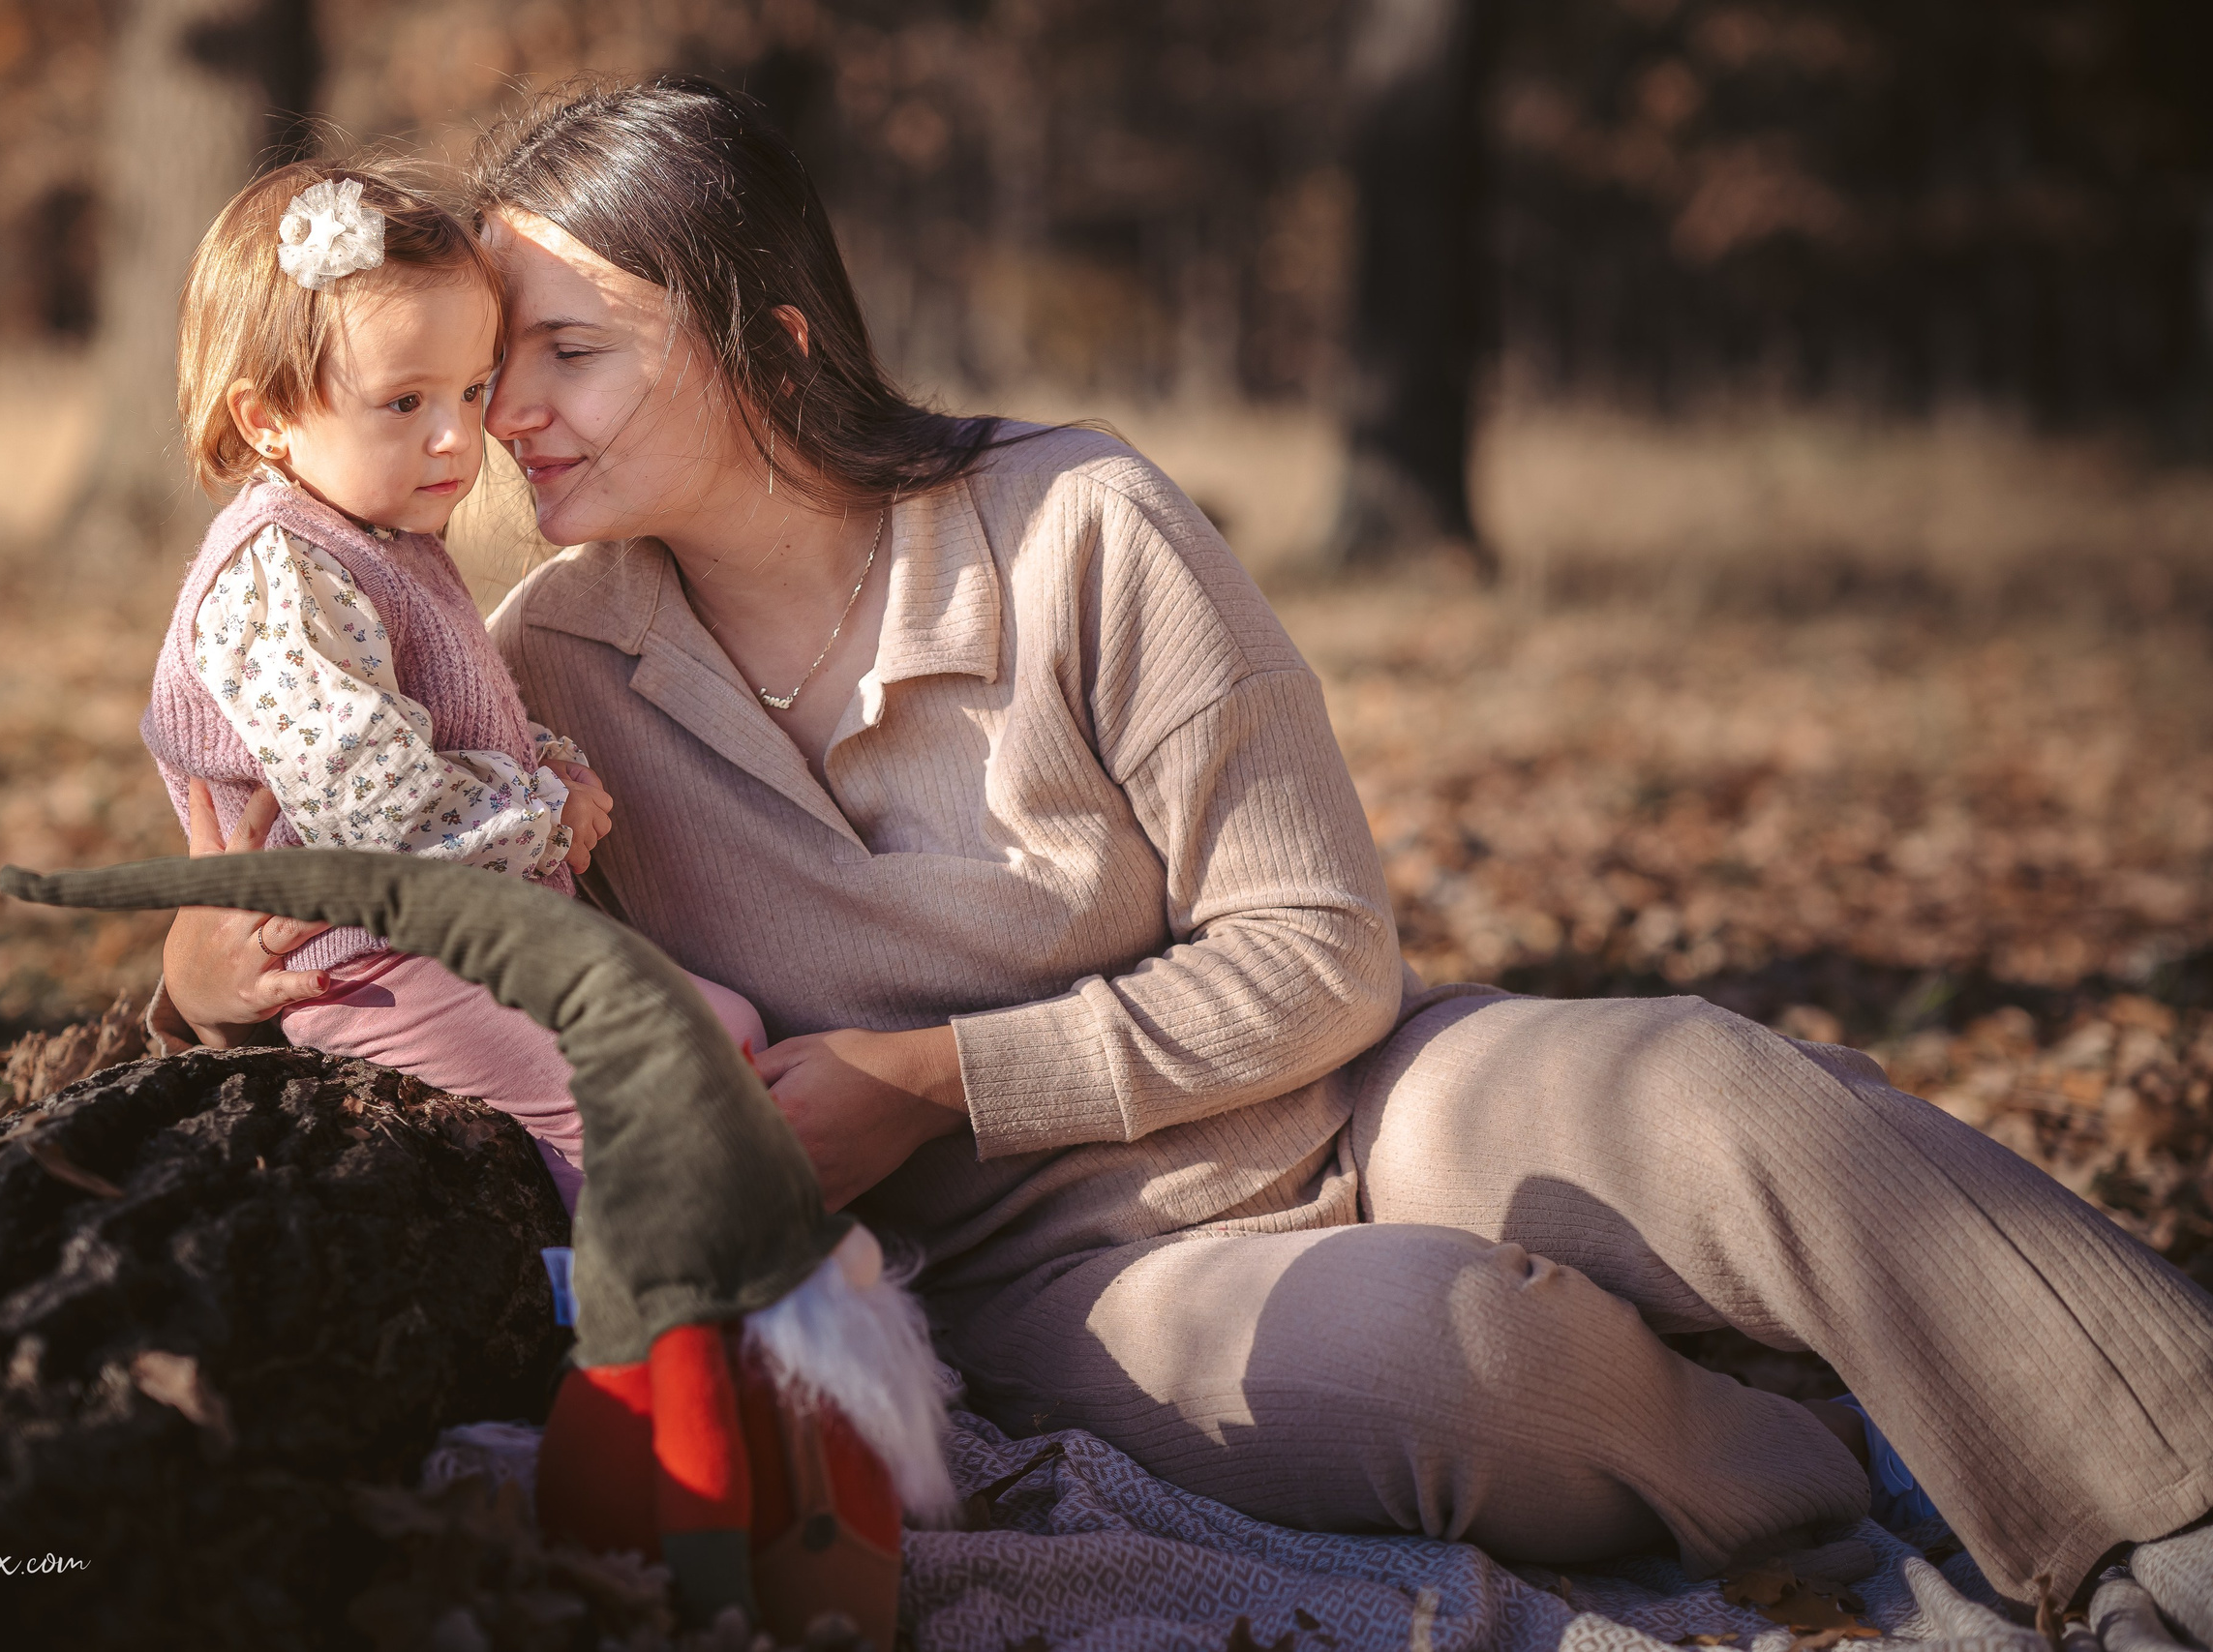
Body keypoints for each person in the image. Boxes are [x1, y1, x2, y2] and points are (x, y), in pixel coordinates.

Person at [154, 78, 2213, 1615]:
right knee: (1484, 1360)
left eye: (568, 354)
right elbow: (411, 935)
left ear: (766, 336)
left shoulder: (1076, 525)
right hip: (1063, 1270)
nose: (503, 419)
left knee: (1705, 1086)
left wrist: (934, 1068)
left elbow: (1318, 950)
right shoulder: (543, 673)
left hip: (1364, 1084)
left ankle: (2176, 1511)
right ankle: (1825, 1486)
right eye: (495, 371)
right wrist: (198, 971)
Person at [148, 158, 763, 1209]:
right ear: (268, 418)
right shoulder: (273, 577)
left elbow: (463, 718)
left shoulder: (376, 529)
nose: (458, 436)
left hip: (460, 928)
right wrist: (539, 809)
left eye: (471, 389)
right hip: (365, 958)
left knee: (732, 1029)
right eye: (404, 401)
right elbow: (374, 803)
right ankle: (629, 1340)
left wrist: (551, 767)